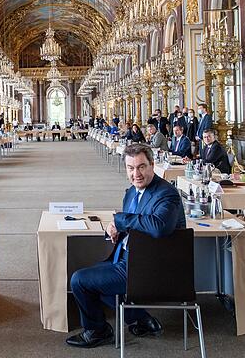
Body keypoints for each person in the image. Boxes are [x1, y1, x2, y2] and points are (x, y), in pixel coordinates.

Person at [66, 144, 185, 348]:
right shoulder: (131, 192)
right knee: (90, 275)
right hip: (128, 258)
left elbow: (158, 227)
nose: (135, 173)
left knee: (79, 280)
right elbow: (135, 222)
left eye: (141, 167)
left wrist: (120, 220)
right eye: (131, 168)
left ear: (152, 165)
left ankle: (98, 332)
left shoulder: (167, 194)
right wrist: (117, 229)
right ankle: (141, 319)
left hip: (148, 268)